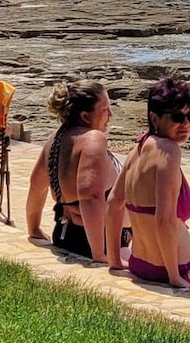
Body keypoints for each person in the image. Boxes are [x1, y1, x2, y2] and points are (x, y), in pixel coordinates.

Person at [106, 77, 190, 296]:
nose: (186, 124)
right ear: (155, 118)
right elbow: (164, 218)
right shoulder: (168, 151)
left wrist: (114, 259)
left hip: (140, 263)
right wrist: (174, 276)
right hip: (175, 266)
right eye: (177, 117)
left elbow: (114, 202)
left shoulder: (137, 151)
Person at [25, 80, 124, 263]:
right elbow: (90, 196)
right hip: (99, 241)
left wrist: (34, 228)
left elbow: (37, 186)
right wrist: (99, 254)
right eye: (105, 109)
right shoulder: (93, 139)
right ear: (86, 116)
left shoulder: (55, 139)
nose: (110, 115)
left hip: (65, 233)